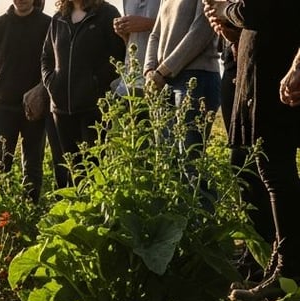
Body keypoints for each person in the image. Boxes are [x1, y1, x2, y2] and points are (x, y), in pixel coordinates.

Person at [204, 0, 300, 301]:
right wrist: (234, 32)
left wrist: (226, 10)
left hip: (277, 69)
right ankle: (279, 266)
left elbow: (262, 9)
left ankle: (290, 273)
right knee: (270, 170)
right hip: (264, 67)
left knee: (276, 172)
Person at [42, 0, 126, 189]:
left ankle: (94, 215)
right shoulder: (58, 19)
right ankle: (75, 213)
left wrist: (96, 84)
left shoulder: (107, 14)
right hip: (61, 109)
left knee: (96, 168)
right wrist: (52, 83)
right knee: (71, 169)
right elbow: (46, 57)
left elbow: (118, 55)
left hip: (94, 108)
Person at [0, 0, 52, 203]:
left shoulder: (48, 25)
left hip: (36, 107)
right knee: (1, 163)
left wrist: (41, 91)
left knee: (33, 165)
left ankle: (29, 211)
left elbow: (54, 62)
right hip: (3, 107)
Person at [144, 0, 221, 160]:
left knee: (190, 161)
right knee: (167, 160)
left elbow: (199, 33)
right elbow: (155, 34)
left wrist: (163, 70)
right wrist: (149, 70)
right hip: (163, 81)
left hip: (197, 78)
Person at [113, 0, 161, 96]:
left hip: (158, 78)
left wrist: (149, 24)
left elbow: (178, 29)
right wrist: (124, 34)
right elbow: (131, 43)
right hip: (131, 79)